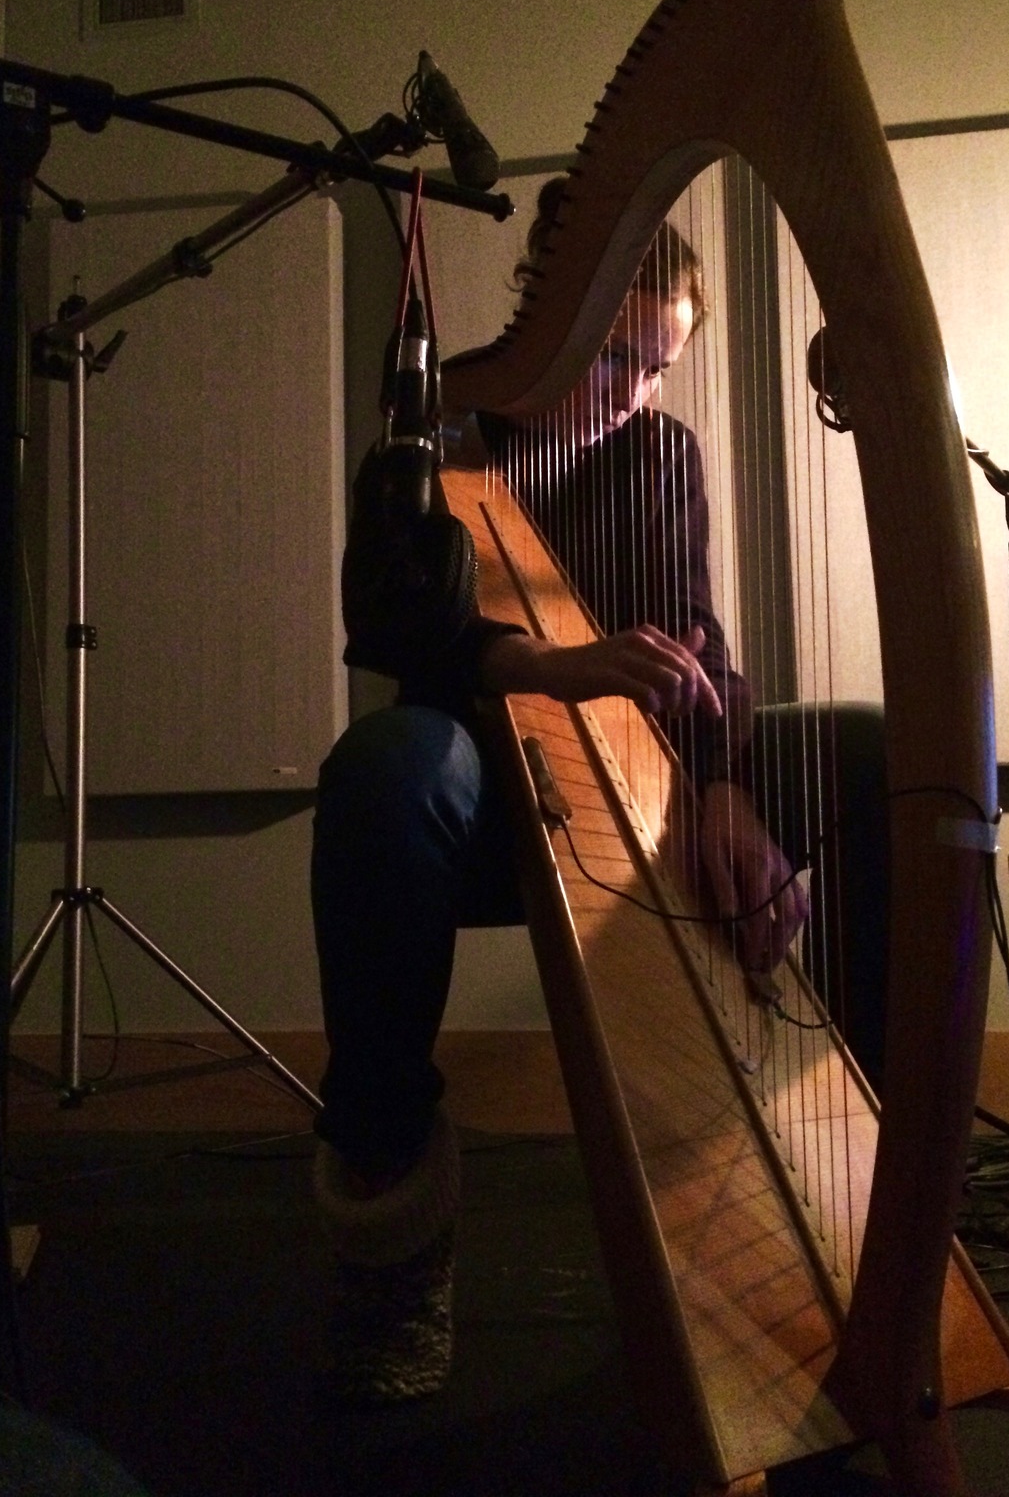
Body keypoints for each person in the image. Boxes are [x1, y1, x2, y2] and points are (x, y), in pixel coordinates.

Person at [309, 180, 807, 1405]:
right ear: (553, 316)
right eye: (617, 359)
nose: (634, 394)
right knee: (387, 768)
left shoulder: (660, 455)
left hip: (624, 798)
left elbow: (695, 644)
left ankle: (852, 1202)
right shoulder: (431, 442)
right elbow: (393, 630)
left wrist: (724, 785)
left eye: (659, 368)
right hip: (475, 800)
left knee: (855, 751)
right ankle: (388, 1210)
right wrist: (547, 665)